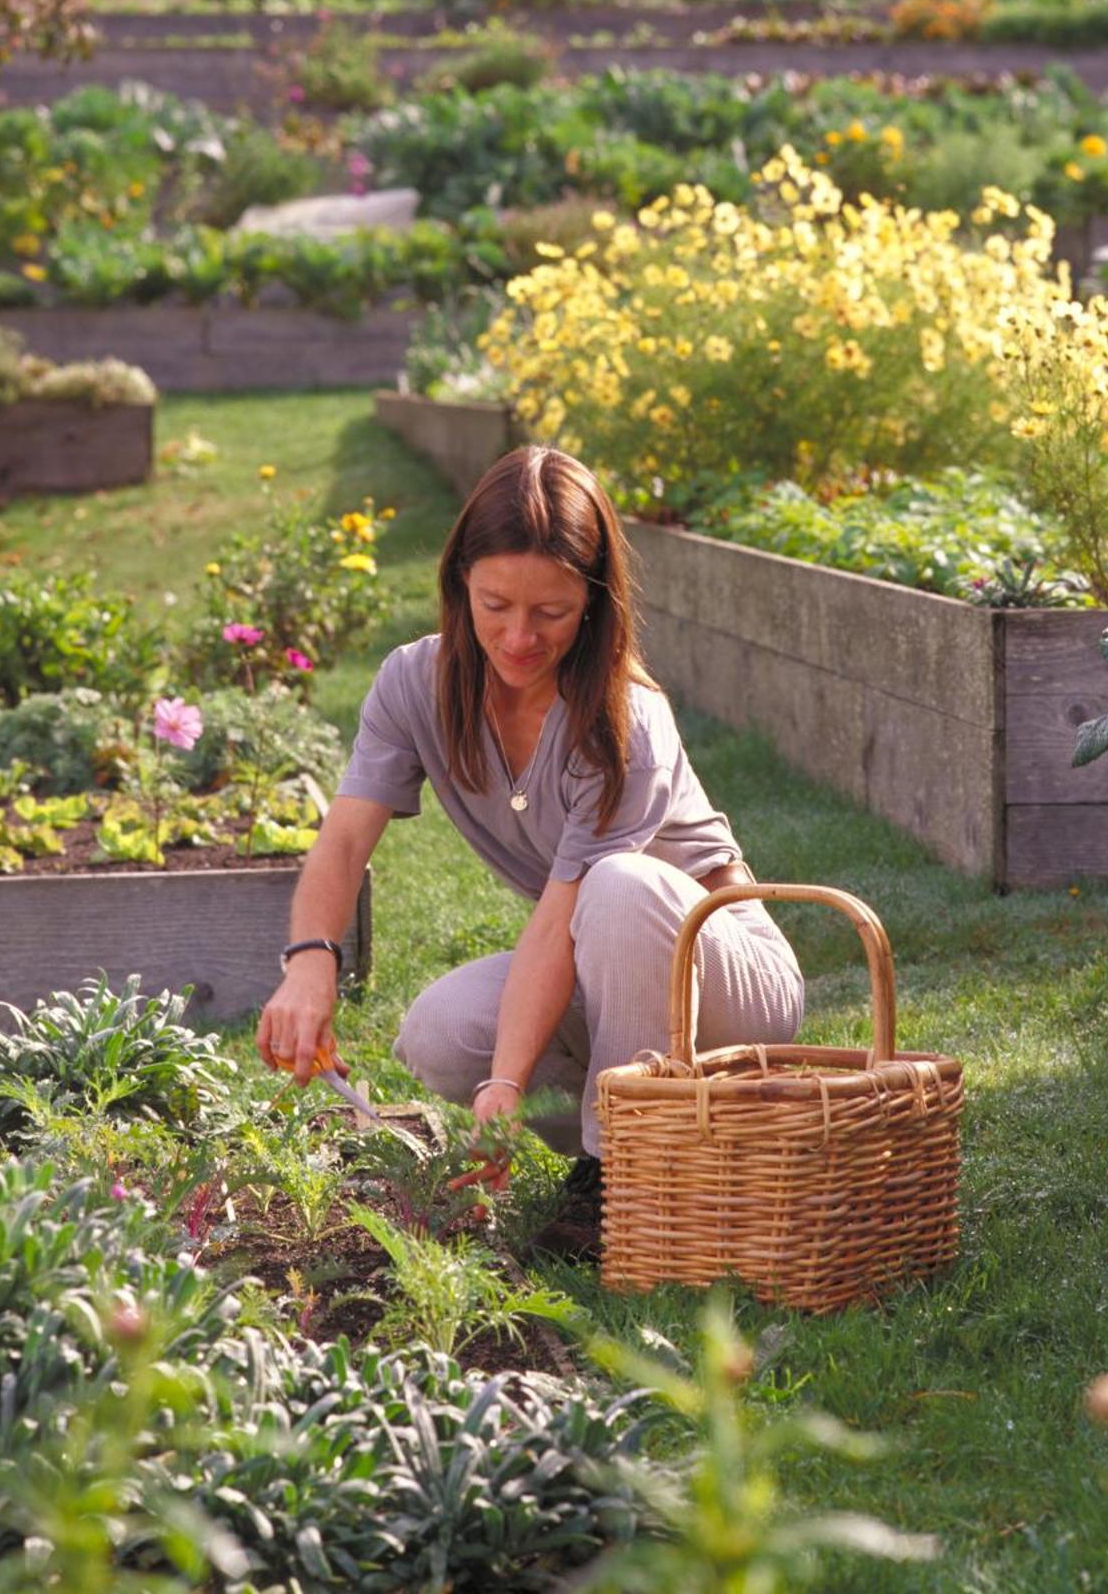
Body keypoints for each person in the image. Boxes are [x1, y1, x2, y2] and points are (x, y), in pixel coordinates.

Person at [255, 445, 805, 1258]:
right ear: (458, 587)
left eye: (550, 612)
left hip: (725, 977)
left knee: (616, 886)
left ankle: (615, 1172)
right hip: (602, 964)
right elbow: (341, 839)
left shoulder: (625, 722)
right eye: (494, 605)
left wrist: (506, 1087)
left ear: (593, 602)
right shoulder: (415, 683)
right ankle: (676, 1126)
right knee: (440, 1033)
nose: (518, 637)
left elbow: (563, 917)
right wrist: (309, 961)